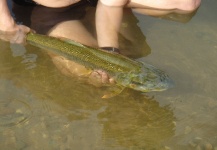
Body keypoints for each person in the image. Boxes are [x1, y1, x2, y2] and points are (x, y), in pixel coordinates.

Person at [0, 0, 201, 85]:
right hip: (47, 9)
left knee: (185, 3)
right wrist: (7, 24)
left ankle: (99, 15)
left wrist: (110, 51)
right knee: (87, 73)